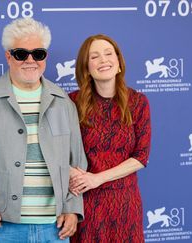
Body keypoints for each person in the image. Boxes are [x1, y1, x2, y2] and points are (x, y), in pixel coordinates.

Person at [0, 18, 87, 242]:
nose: (30, 60)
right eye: (20, 54)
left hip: (55, 227)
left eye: (38, 54)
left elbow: (77, 162)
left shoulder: (63, 102)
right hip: (1, 226)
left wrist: (73, 208)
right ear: (8, 56)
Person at [68, 34, 151, 242]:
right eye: (94, 56)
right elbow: (59, 149)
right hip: (86, 203)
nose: (103, 60)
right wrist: (72, 173)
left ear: (119, 63)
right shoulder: (71, 102)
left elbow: (141, 156)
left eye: (108, 53)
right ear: (86, 68)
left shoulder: (138, 102)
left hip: (125, 203)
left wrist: (97, 178)